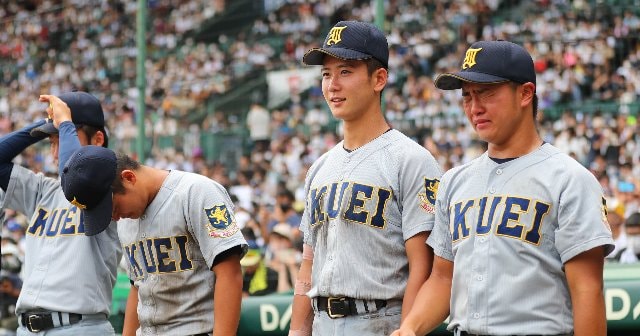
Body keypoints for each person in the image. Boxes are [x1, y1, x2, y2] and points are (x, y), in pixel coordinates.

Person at [392, 40, 614, 336]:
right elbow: (443, 279)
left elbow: (588, 290)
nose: (474, 107)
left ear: (525, 93)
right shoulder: (454, 181)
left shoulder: (570, 179)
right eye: (467, 96)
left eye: (486, 93)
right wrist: (410, 328)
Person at [289, 21, 443, 336]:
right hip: (321, 322)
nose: (332, 85)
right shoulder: (319, 167)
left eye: (345, 72)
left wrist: (407, 330)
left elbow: (422, 269)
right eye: (326, 74)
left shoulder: (412, 160)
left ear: (379, 78)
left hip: (380, 320)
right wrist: (297, 331)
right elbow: (309, 264)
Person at [59, 145, 247, 336]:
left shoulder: (196, 192)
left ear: (129, 178)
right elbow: (137, 287)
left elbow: (229, 274)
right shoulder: (127, 218)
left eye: (113, 207)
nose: (113, 217)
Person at [0, 92, 121, 335]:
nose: (55, 154)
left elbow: (77, 174)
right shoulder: (44, 190)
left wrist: (65, 123)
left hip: (80, 326)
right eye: (53, 142)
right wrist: (52, 122)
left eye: (64, 140)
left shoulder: (113, 191)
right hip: (27, 327)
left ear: (97, 139)